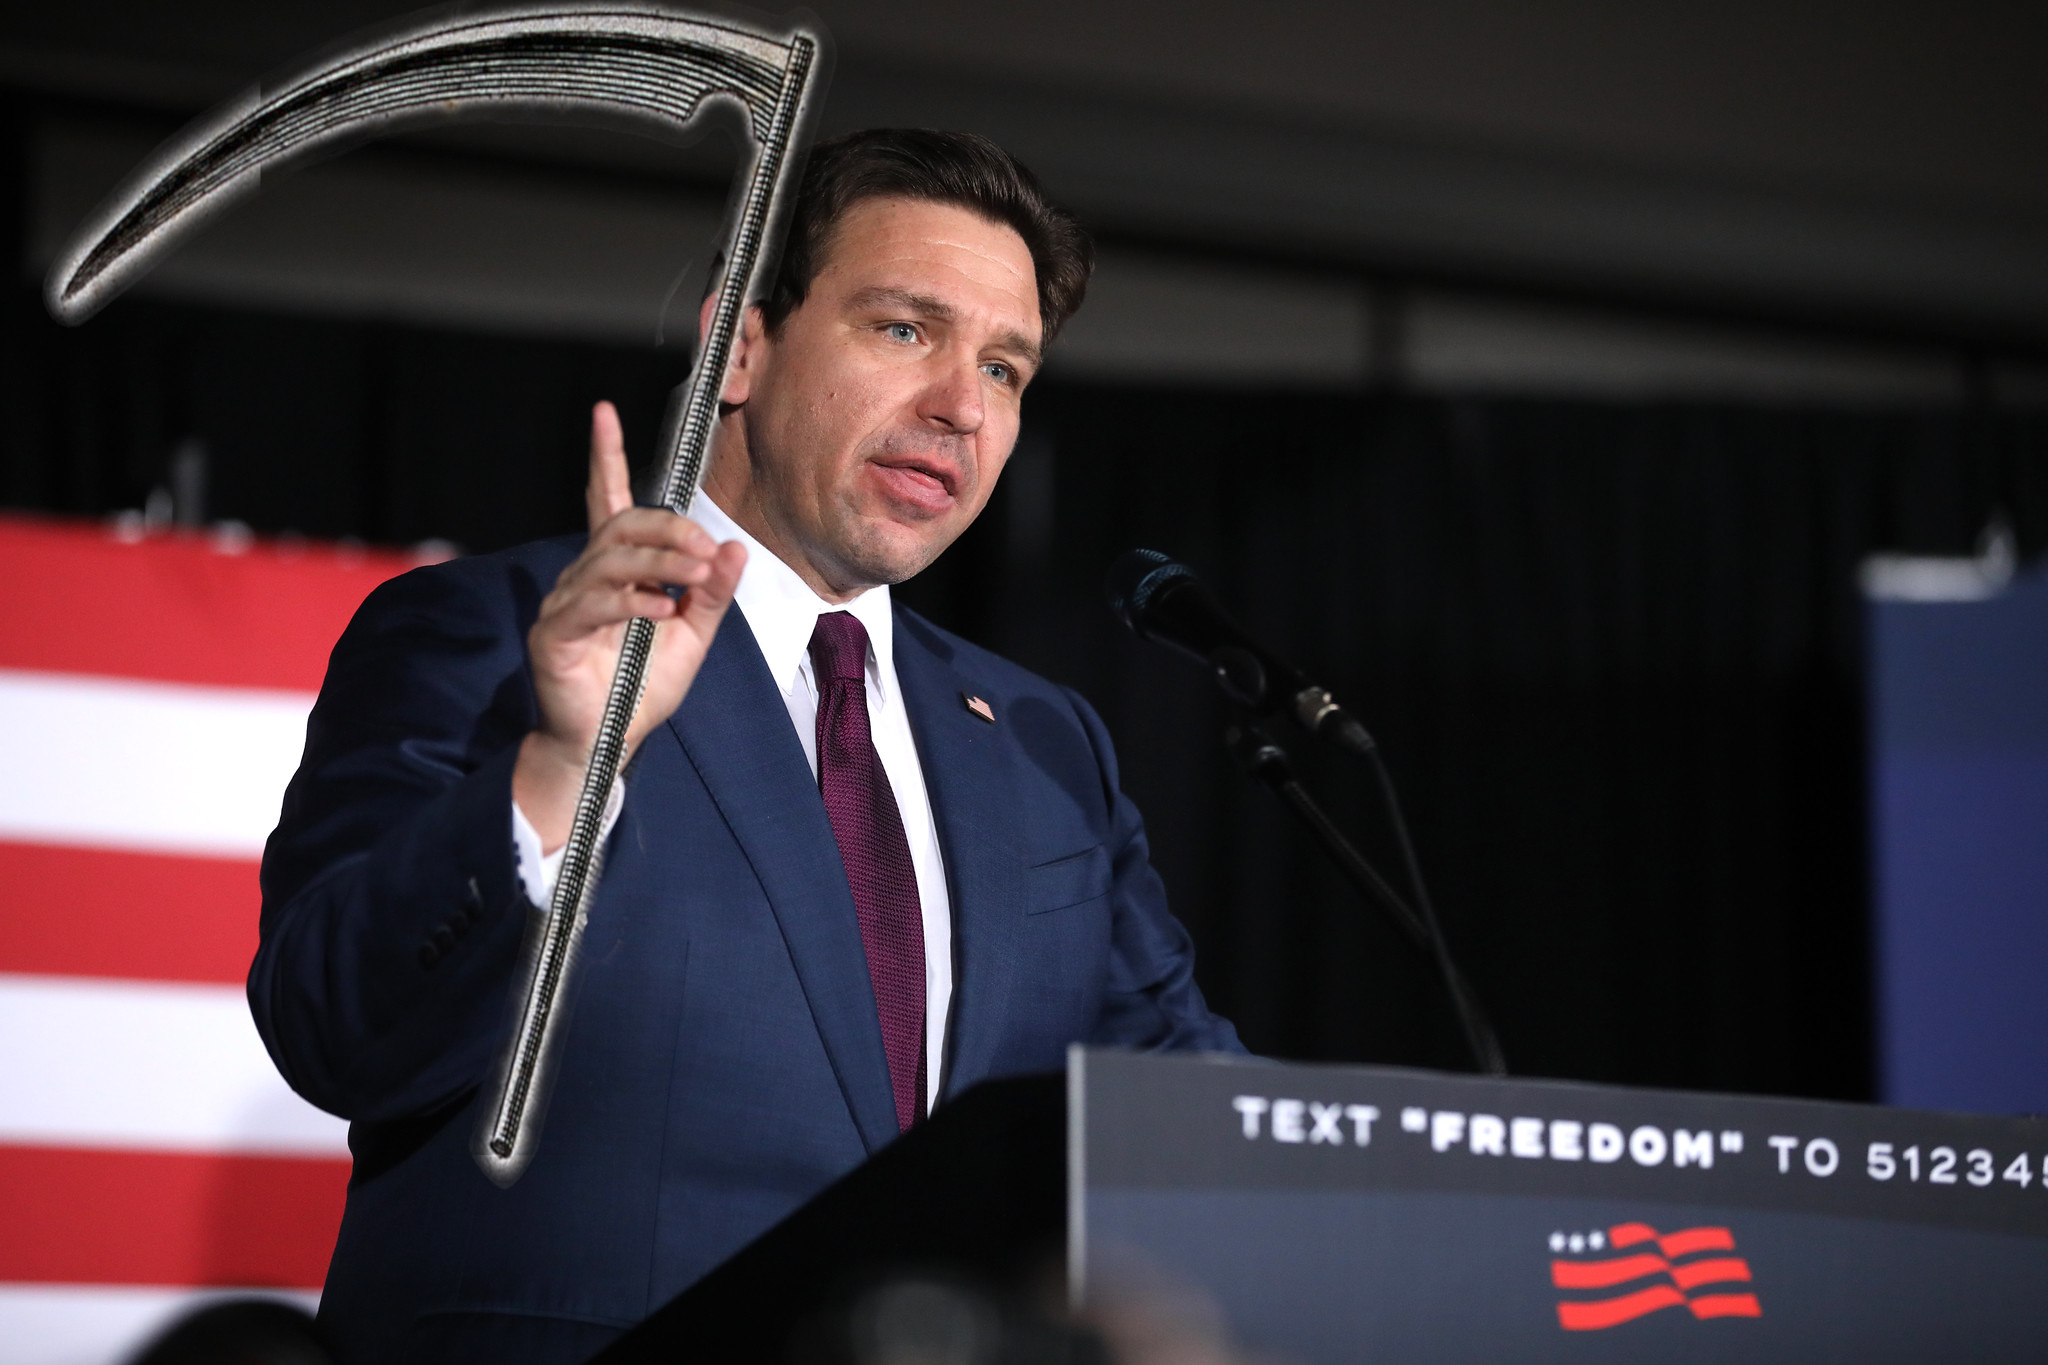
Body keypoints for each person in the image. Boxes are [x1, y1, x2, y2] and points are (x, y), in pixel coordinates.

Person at [252, 128, 1242, 1365]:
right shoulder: (494, 630)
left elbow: (1195, 1120)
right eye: (903, 330)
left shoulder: (1041, 742)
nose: (958, 405)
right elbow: (335, 1030)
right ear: (742, 344)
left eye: (1003, 367)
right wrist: (565, 766)